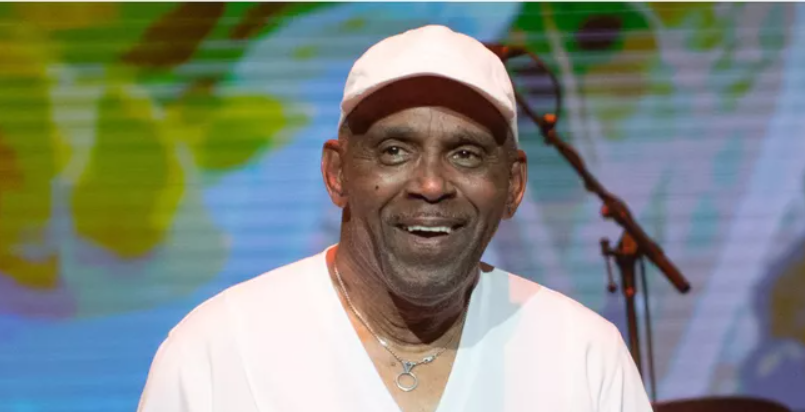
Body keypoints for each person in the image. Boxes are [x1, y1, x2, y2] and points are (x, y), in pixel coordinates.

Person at [137, 24, 652, 412]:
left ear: (514, 185)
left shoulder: (583, 356)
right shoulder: (218, 352)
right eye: (394, 150)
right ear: (337, 173)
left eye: (466, 154)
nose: (430, 184)